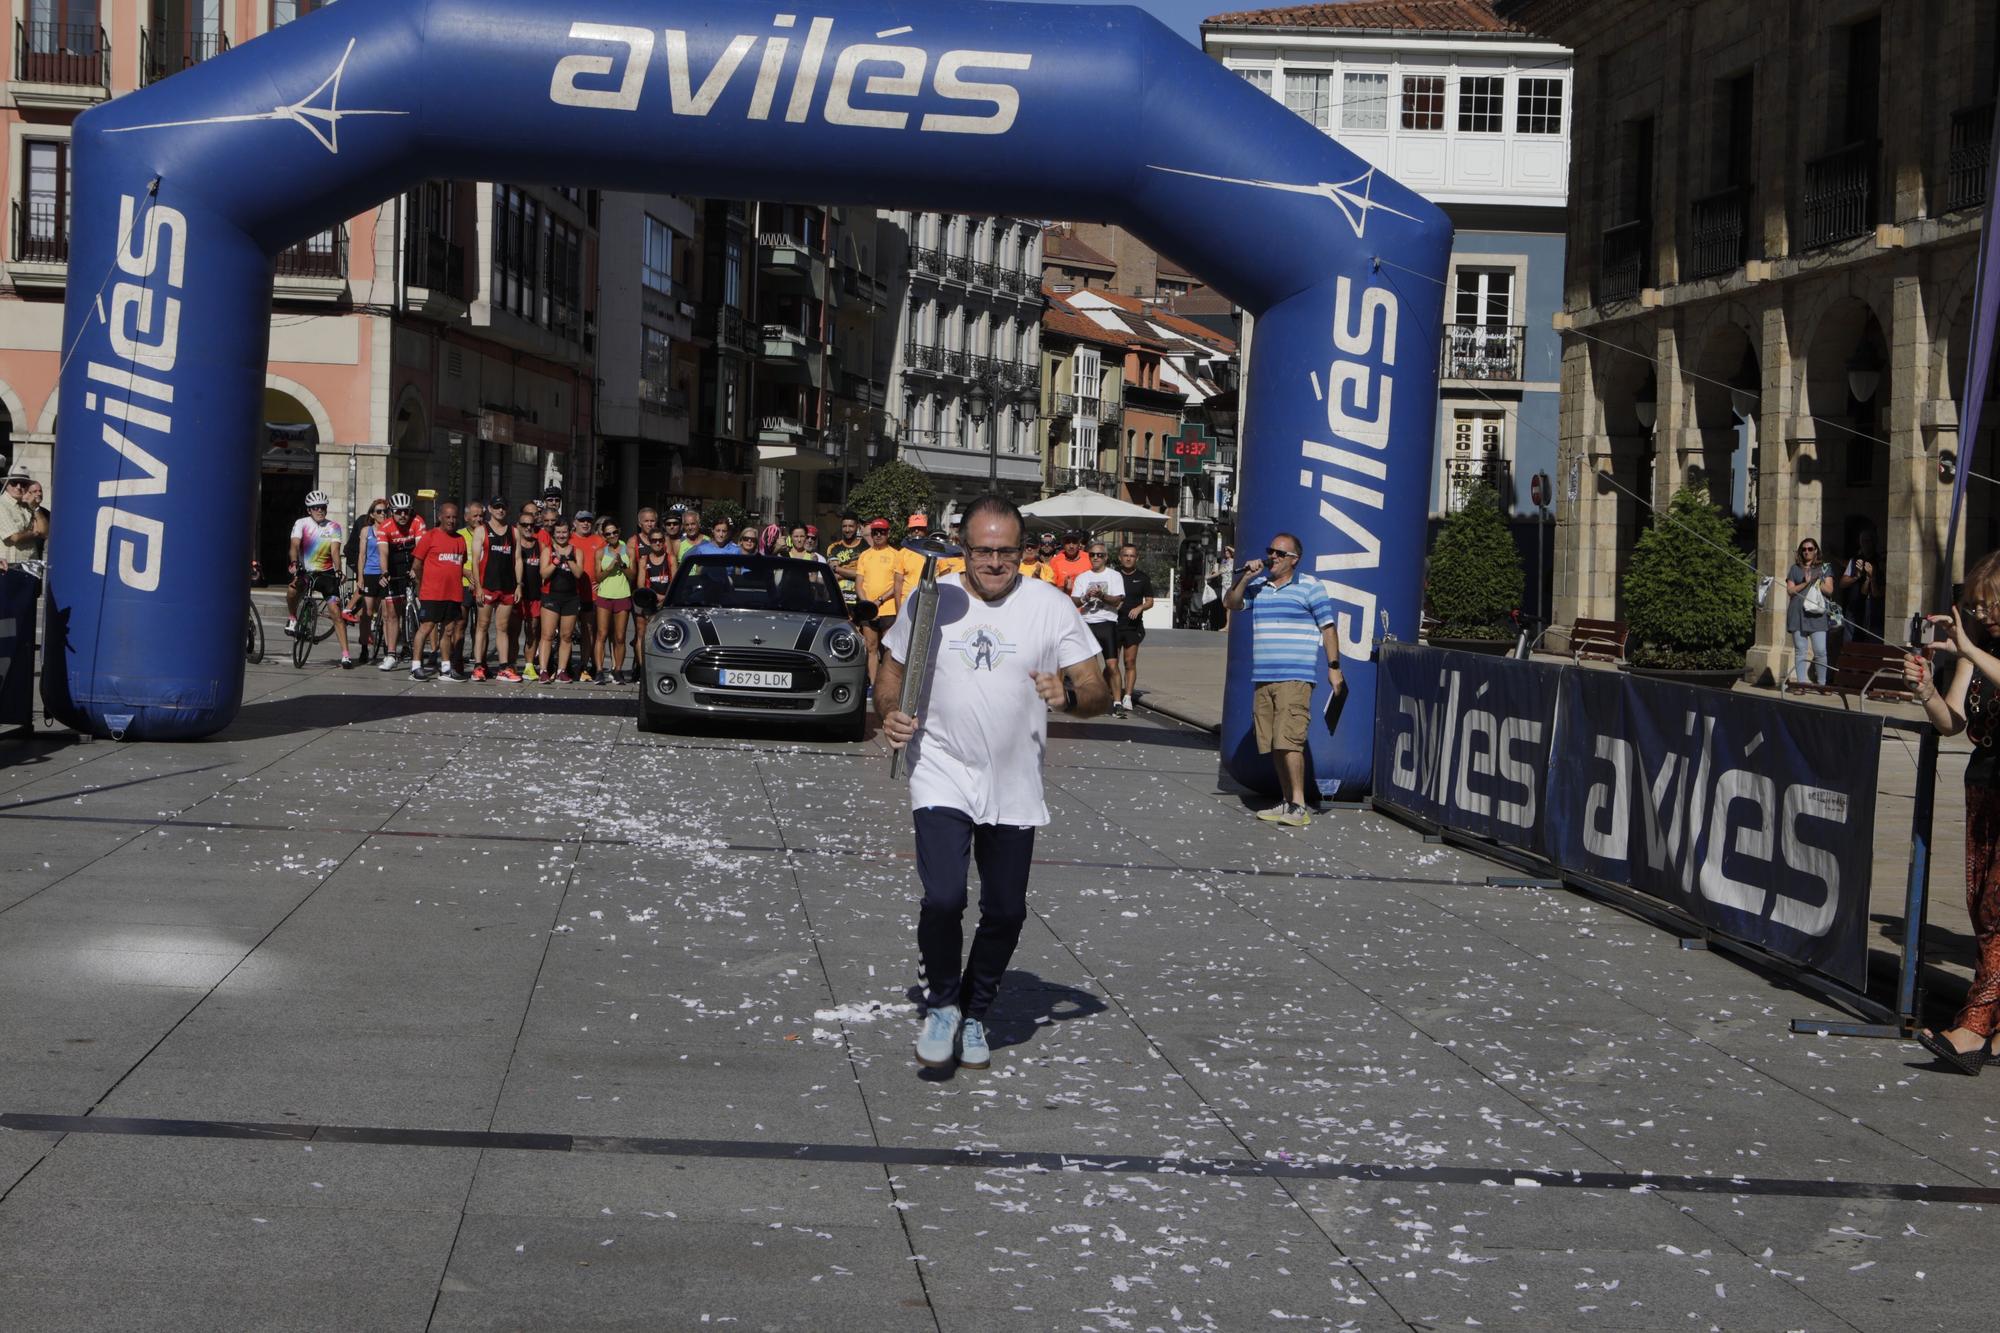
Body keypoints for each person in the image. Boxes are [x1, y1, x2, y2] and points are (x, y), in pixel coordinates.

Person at [878, 494, 1109, 1070]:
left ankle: (976, 1012)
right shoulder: (934, 601)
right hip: (941, 770)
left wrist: (1071, 696)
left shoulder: (1052, 607)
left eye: (1007, 551)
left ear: (1023, 551)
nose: (995, 563)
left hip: (1014, 782)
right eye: (983, 551)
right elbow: (892, 669)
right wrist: (889, 710)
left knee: (1006, 911)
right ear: (963, 548)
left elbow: (1099, 691)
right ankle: (943, 1005)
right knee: (945, 896)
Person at [1903, 553, 2000, 1073]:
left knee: (1997, 910)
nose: (1984, 615)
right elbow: (1952, 722)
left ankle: (1973, 1028)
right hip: (1984, 786)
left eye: (1992, 605)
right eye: (1979, 606)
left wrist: (1968, 648)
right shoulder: (1977, 650)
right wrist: (1926, 691)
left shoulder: (1979, 651)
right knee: (1980, 907)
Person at [1224, 533, 1344, 828]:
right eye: (1270, 552)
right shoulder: (1259, 587)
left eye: (1279, 553)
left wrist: (1333, 667)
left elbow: (1328, 628)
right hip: (1264, 678)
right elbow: (1231, 603)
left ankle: (1298, 805)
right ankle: (1287, 800)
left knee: (1290, 741)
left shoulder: (1310, 587)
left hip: (1295, 677)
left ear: (1294, 559)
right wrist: (1244, 578)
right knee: (1276, 743)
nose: (1272, 557)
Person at [836, 517, 920, 691]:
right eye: (875, 532)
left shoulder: (896, 554)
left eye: (882, 532)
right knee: (871, 647)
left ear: (888, 533)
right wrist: (867, 603)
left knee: (889, 649)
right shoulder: (865, 555)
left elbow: (896, 585)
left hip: (888, 609)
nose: (878, 535)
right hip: (868, 610)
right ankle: (873, 686)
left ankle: (889, 685)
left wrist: (879, 600)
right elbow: (859, 583)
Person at [285, 490, 355, 667]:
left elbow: (335, 552)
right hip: (306, 571)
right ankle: (293, 617)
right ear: (309, 510)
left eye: (323, 507)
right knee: (292, 589)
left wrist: (338, 570)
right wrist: (294, 562)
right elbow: (294, 545)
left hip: (326, 573)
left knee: (335, 612)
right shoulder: (301, 523)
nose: (320, 510)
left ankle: (345, 655)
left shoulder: (334, 527)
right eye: (316, 508)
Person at [409, 501, 470, 681]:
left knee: (449, 630)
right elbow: (417, 565)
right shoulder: (430, 536)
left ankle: (445, 668)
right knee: (426, 627)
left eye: (454, 517)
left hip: (453, 593)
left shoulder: (460, 539)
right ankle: (416, 666)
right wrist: (421, 585)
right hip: (432, 592)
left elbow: (459, 564)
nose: (451, 521)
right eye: (448, 517)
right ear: (440, 517)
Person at [469, 498, 521, 682]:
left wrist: (519, 585)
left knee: (502, 628)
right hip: (487, 585)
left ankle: (504, 668)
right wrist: (479, 586)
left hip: (507, 587)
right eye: (497, 507)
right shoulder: (481, 530)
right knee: (482, 626)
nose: (500, 510)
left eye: (503, 507)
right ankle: (478, 666)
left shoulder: (514, 532)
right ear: (490, 509)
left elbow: (518, 560)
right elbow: (475, 560)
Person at [1069, 541, 1125, 699]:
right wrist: (1086, 597)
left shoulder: (1114, 576)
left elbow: (1118, 601)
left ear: (1106, 557)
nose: (1096, 558)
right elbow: (1073, 602)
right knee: (1088, 666)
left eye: (1100, 555)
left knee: (1112, 665)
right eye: (1092, 554)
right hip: (1087, 623)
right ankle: (1089, 699)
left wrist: (1102, 596)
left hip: (1107, 623)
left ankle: (1117, 702)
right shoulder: (1083, 577)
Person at [377, 493, 426, 671]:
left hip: (414, 560)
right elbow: (383, 553)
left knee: (423, 602)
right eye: (398, 512)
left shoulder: (418, 521)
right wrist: (384, 572)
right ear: (392, 512)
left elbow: (421, 549)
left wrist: (416, 569)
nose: (403, 515)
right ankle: (391, 654)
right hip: (393, 564)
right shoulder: (385, 526)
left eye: (406, 511)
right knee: (391, 612)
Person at [536, 518, 586, 683]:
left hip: (571, 597)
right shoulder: (547, 551)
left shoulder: (576, 551)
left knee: (566, 636)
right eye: (558, 532)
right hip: (551, 596)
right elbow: (543, 574)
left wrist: (568, 559)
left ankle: (561, 671)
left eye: (564, 532)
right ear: (553, 534)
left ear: (569, 533)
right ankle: (543, 670)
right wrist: (556, 561)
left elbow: (579, 574)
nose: (561, 535)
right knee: (547, 634)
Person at [1113, 543, 1157, 716]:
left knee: (1129, 662)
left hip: (1133, 626)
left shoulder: (1143, 577)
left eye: (1132, 555)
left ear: (1137, 558)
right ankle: (1112, 694)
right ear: (1120, 557)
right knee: (1112, 664)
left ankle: (1128, 697)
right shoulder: (1113, 575)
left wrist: (1140, 608)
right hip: (1114, 624)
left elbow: (1150, 601)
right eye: (1125, 555)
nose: (1128, 558)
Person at [1786, 538, 1836, 686]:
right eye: (1804, 549)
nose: (1807, 552)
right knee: (1800, 651)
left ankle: (1822, 684)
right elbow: (1790, 591)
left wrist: (1817, 581)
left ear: (1816, 551)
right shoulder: (1794, 569)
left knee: (1820, 651)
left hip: (1817, 616)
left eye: (1810, 549)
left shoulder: (1825, 568)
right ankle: (1801, 684)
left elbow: (1830, 590)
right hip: (1797, 614)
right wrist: (1805, 583)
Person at [594, 517, 635, 684]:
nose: (612, 536)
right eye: (608, 534)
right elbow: (598, 577)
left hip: (622, 595)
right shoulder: (600, 552)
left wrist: (622, 566)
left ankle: (617, 670)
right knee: (602, 634)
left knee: (620, 637)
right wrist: (610, 567)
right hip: (604, 596)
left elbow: (632, 576)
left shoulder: (629, 550)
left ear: (619, 531)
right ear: (604, 536)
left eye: (614, 532)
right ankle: (598, 670)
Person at [632, 521, 677, 651]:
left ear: (664, 541)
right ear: (649, 542)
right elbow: (640, 584)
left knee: (663, 634)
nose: (657, 543)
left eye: (660, 540)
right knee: (642, 634)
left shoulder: (671, 558)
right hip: (648, 600)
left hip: (666, 601)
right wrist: (655, 596)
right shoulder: (643, 560)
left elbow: (674, 581)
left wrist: (664, 597)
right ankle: (641, 668)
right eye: (654, 540)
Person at [571, 511, 605, 682]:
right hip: (569, 593)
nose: (585, 524)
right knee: (565, 632)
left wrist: (602, 580)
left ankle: (584, 665)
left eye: (588, 521)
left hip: (590, 594)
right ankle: (563, 665)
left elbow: (605, 565)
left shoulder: (599, 541)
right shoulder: (567, 539)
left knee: (588, 630)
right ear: (575, 522)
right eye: (582, 520)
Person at [1839, 528, 1885, 644]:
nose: (1866, 543)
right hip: (1855, 609)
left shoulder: (1880, 561)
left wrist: (1871, 576)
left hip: (1874, 612)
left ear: (1874, 542)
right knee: (1849, 644)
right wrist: (1857, 576)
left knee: (1872, 645)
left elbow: (1877, 593)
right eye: (1863, 541)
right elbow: (1842, 583)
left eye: (1868, 540)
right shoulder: (1854, 560)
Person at [515, 505, 544, 680]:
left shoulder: (539, 545)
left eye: (531, 525)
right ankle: (510, 665)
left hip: (535, 595)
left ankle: (529, 665)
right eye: (524, 525)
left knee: (532, 630)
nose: (528, 528)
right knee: (513, 631)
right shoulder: (513, 544)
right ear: (518, 525)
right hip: (516, 595)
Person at [0, 465, 44, 563]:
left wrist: (36, 508)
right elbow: (15, 537)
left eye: (23, 484)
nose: (19, 487)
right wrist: (34, 533)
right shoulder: (2, 504)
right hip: (9, 566)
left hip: (31, 565)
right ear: (6, 484)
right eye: (14, 483)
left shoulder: (28, 506)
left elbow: (43, 531)